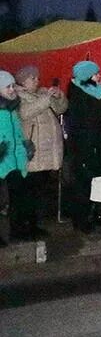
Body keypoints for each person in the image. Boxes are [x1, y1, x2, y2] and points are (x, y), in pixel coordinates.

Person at [65, 61, 101, 232]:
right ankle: (81, 220)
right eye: (96, 74)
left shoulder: (91, 92)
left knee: (91, 182)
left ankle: (91, 215)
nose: (99, 76)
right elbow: (92, 118)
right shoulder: (80, 96)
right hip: (84, 147)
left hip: (94, 145)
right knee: (82, 184)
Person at [15, 65, 65, 236]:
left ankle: (35, 224)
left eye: (37, 78)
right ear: (22, 81)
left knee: (39, 193)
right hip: (32, 154)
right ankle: (24, 227)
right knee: (28, 193)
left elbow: (61, 109)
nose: (36, 81)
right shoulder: (17, 96)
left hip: (46, 153)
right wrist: (46, 98)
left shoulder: (40, 94)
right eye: (32, 79)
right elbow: (25, 112)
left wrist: (58, 97)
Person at [0, 70, 35, 245]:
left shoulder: (12, 110)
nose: (12, 89)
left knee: (17, 202)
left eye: (13, 85)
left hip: (16, 163)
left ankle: (17, 232)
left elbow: (17, 135)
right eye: (8, 86)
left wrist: (25, 147)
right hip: (2, 165)